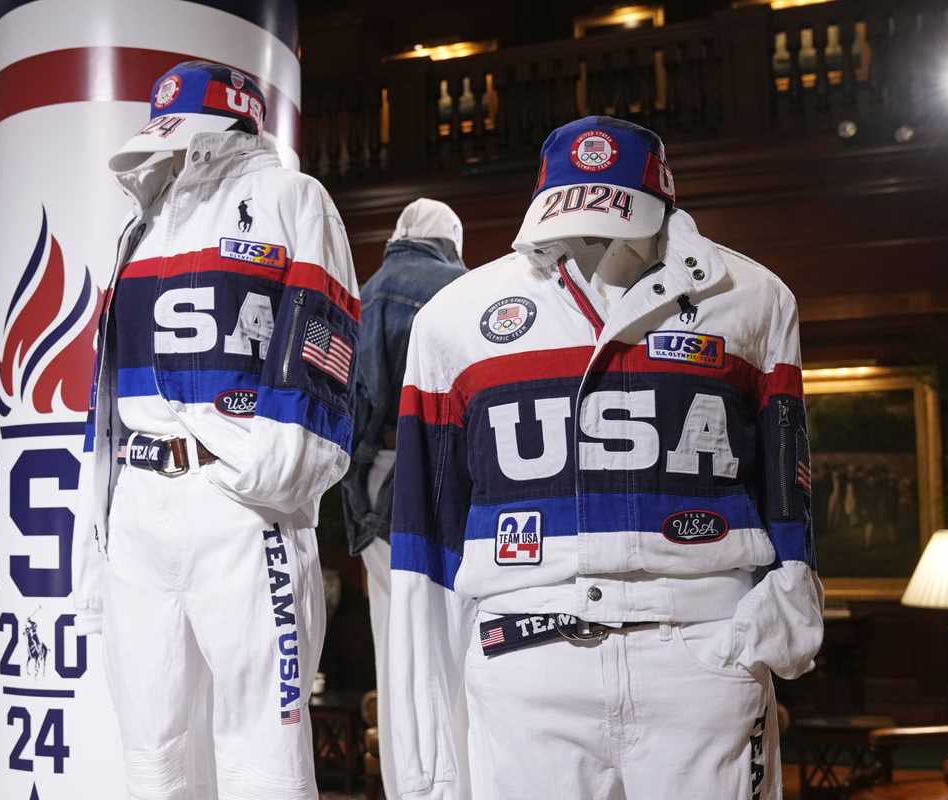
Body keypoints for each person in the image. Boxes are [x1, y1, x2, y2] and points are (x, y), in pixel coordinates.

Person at [389, 116, 823, 799]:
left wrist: (786, 605)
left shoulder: (753, 298)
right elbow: (425, 536)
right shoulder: (454, 318)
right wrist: (427, 768)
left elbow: (788, 481)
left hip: (701, 655)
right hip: (525, 665)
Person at [73, 60, 359, 799]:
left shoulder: (292, 198)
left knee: (263, 753)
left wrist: (268, 476)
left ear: (232, 126)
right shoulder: (140, 226)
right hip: (139, 508)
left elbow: (322, 337)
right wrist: (100, 522)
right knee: (152, 750)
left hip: (239, 505)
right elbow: (108, 387)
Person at [341, 197, 469, 799]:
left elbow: (351, 407)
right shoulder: (462, 292)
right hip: (441, 479)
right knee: (451, 643)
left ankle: (406, 786)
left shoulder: (362, 296)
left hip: (376, 480)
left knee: (394, 646)